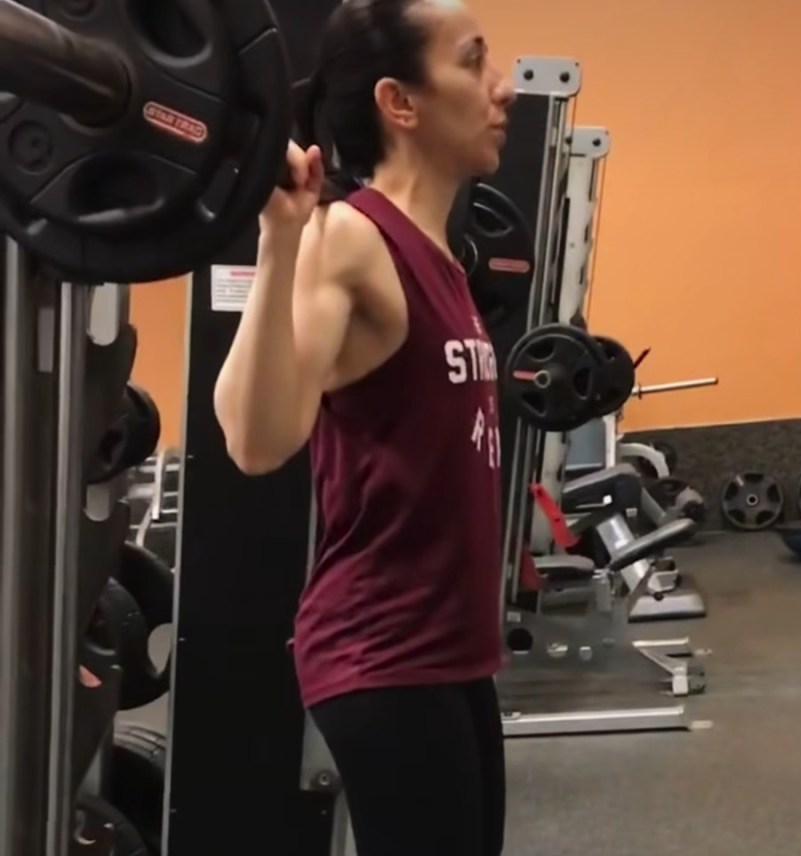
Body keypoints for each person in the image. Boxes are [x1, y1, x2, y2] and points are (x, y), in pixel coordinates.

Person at [213, 0, 517, 854]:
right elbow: (254, 437)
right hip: (384, 654)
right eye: (473, 62)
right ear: (400, 101)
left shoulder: (441, 256)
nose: (504, 87)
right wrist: (280, 240)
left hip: (450, 654)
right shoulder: (351, 237)